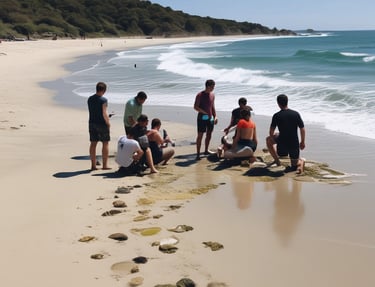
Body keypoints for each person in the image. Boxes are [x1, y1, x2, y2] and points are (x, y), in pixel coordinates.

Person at [266, 94, 306, 173]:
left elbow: (271, 131)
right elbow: (302, 129)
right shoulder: (296, 114)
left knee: (268, 140)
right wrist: (302, 142)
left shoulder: (276, 115)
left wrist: (273, 137)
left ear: (278, 103)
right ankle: (301, 162)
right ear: (287, 102)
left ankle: (277, 161)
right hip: (294, 144)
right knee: (294, 166)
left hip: (282, 146)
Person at [87, 82, 111, 171]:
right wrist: (108, 123)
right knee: (105, 143)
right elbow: (104, 113)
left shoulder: (90, 99)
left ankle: (93, 165)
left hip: (92, 123)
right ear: (104, 90)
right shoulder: (103, 100)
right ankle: (104, 165)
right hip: (101, 123)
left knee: (93, 143)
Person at [193, 79, 218, 160]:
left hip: (210, 118)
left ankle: (206, 150)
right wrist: (204, 112)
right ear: (207, 86)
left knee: (209, 134)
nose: (213, 88)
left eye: (213, 87)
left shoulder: (212, 95)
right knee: (200, 135)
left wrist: (215, 116)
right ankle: (198, 153)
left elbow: (212, 106)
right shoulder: (200, 95)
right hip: (201, 118)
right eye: (212, 87)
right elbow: (195, 107)